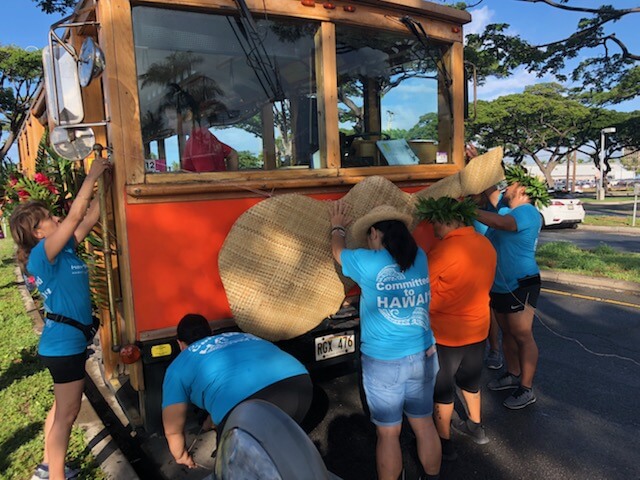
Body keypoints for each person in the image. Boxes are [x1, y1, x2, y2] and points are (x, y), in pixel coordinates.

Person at [9, 157, 111, 480]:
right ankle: (55, 476)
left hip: (67, 343)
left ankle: (46, 465)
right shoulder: (42, 255)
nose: (57, 219)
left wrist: (106, 182)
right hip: (64, 346)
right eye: (50, 218)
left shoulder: (63, 249)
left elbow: (89, 215)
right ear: (38, 232)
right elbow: (76, 214)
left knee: (60, 407)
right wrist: (92, 174)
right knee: (68, 413)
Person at [330, 201, 441, 480]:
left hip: (384, 361)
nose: (369, 241)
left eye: (369, 235)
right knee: (424, 424)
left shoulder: (368, 262)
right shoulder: (420, 257)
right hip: (423, 354)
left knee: (388, 434)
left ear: (377, 233)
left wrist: (337, 226)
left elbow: (337, 251)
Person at [161, 314, 313, 468]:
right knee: (278, 450)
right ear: (211, 333)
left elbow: (172, 430)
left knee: (238, 469)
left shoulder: (177, 367)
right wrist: (211, 421)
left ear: (180, 343)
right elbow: (230, 382)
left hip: (250, 409)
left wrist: (181, 456)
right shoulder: (239, 336)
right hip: (300, 387)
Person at [415, 196, 497, 460]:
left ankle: (444, 441)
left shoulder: (443, 251)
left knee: (442, 387)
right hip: (478, 329)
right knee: (472, 381)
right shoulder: (485, 244)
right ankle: (476, 426)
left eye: (436, 223)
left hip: (446, 333)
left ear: (446, 220)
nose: (434, 229)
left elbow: (421, 287)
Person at [475, 165, 550, 410]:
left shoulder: (527, 212)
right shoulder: (510, 209)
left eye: (511, 184)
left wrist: (468, 210)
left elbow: (501, 223)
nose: (506, 187)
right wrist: (480, 162)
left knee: (521, 334)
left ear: (523, 189)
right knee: (507, 332)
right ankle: (512, 373)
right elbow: (492, 192)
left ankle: (526, 388)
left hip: (521, 282)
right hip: (500, 283)